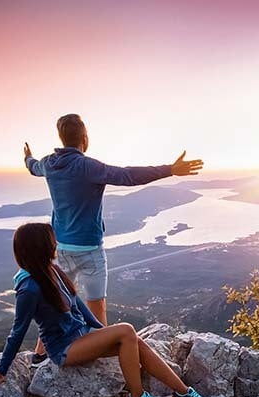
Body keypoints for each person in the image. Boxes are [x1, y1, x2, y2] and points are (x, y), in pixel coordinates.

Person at [0, 223, 211, 397]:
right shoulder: (29, 287)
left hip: (82, 336)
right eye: (51, 240)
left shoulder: (51, 269)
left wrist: (102, 333)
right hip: (64, 349)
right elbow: (18, 331)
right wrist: (1, 369)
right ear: (40, 247)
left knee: (134, 341)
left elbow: (77, 303)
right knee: (127, 330)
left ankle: (182, 392)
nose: (55, 243)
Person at [23, 113, 203, 367]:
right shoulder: (87, 166)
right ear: (84, 138)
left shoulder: (49, 163)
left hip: (60, 248)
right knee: (96, 304)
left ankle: (39, 354)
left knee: (56, 301)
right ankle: (101, 355)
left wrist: (27, 158)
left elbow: (33, 167)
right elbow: (127, 175)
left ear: (61, 138)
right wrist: (170, 170)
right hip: (89, 250)